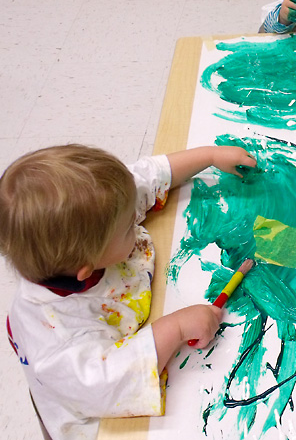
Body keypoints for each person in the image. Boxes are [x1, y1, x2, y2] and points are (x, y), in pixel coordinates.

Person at [0, 144, 256, 440]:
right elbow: (108, 383)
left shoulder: (96, 218)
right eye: (126, 230)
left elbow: (145, 179)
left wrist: (209, 156)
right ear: (87, 268)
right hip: (95, 417)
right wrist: (175, 327)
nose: (134, 223)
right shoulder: (58, 339)